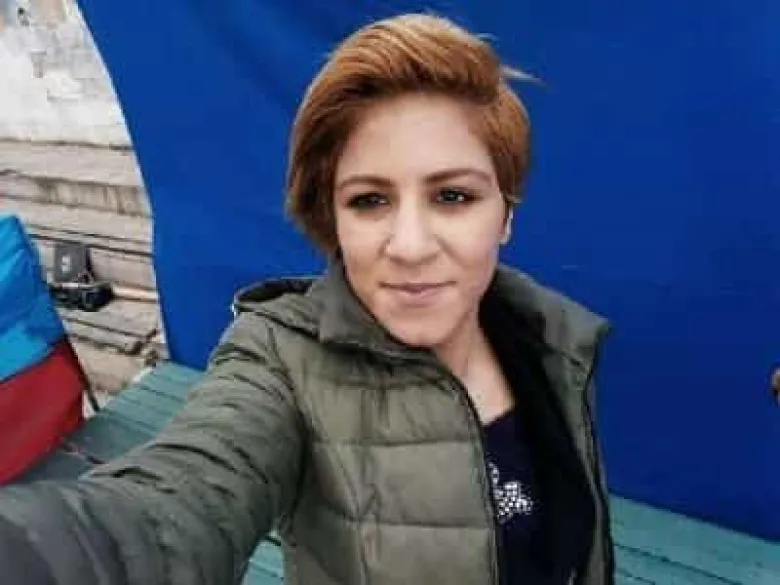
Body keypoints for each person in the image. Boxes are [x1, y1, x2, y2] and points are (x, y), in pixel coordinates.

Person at [0, 13, 614, 585]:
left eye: (452, 196)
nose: (409, 245)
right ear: (332, 221)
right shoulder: (280, 361)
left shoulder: (547, 337)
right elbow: (169, 506)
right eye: (369, 200)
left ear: (506, 212)